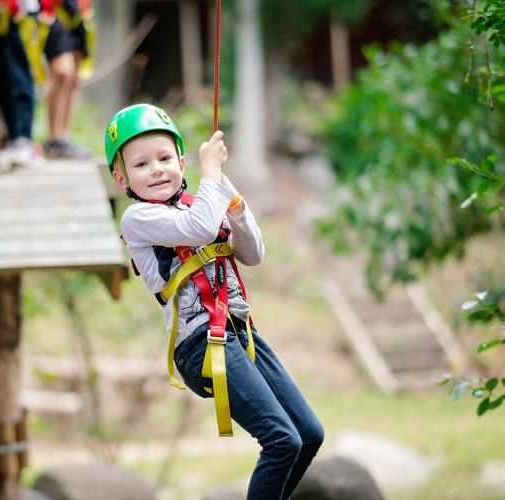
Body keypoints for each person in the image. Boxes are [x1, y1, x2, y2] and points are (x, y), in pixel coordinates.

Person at [104, 104, 324, 500]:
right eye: (141, 164)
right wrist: (210, 177)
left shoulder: (199, 202)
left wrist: (232, 198)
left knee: (308, 435)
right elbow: (199, 228)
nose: (156, 169)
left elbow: (253, 253)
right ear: (122, 178)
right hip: (201, 343)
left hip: (240, 333)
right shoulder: (137, 218)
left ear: (181, 161)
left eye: (165, 158)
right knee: (281, 441)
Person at [0, 0, 42, 165]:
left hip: (18, 12)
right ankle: (14, 139)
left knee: (19, 76)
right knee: (1, 80)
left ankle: (23, 138)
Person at [39, 0, 93, 158]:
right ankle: (54, 138)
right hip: (52, 9)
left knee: (74, 78)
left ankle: (63, 137)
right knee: (62, 72)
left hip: (79, 9)